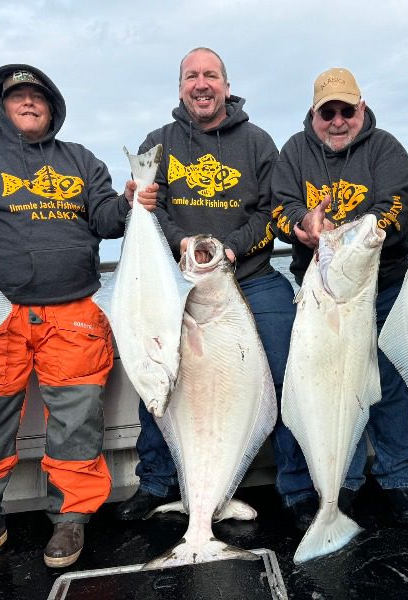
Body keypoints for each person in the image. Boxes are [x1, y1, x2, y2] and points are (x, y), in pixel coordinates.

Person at [0, 64, 157, 585]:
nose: (28, 102)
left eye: (37, 95)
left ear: (52, 105)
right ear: (1, 103)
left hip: (74, 313)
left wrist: (131, 203)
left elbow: (105, 221)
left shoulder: (81, 160)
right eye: (17, 95)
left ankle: (70, 519)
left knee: (77, 422)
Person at [114, 47, 315, 531]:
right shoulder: (158, 142)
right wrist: (182, 241)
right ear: (181, 86)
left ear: (226, 86)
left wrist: (231, 249)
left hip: (251, 277)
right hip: (179, 284)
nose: (200, 84)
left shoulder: (258, 142)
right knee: (156, 375)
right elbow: (149, 209)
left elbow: (272, 213)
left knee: (290, 372)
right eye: (191, 76)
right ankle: (157, 483)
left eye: (210, 76)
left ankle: (297, 487)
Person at [270, 67, 408, 524]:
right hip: (322, 295)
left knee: (391, 386)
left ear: (362, 108)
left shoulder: (386, 148)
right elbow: (280, 207)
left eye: (347, 111)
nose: (338, 121)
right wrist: (303, 225)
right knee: (332, 387)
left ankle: (399, 479)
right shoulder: (294, 152)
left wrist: (350, 233)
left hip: (385, 287)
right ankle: (345, 483)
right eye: (327, 113)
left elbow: (398, 204)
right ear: (313, 115)